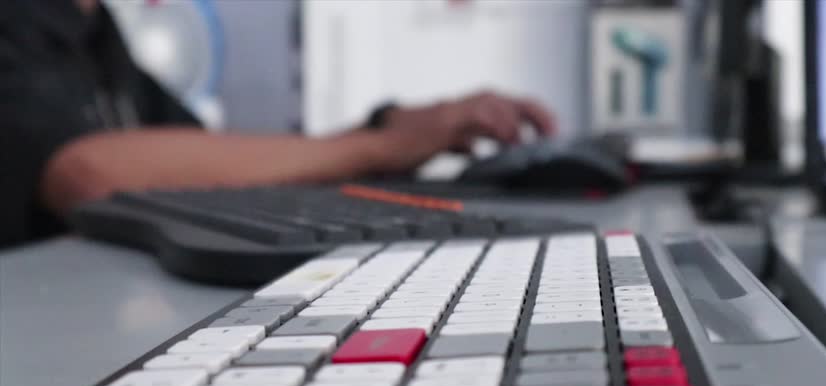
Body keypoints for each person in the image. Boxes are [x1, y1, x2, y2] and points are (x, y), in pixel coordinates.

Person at [0, 0, 556, 248]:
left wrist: (385, 128)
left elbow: (205, 162)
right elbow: (85, 170)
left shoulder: (100, 37)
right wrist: (380, 146)